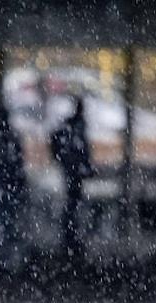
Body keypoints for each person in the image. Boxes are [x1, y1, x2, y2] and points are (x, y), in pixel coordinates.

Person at [50, 94, 95, 255]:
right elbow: (82, 149)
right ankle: (71, 238)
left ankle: (70, 237)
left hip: (72, 170)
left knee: (72, 205)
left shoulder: (71, 125)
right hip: (74, 171)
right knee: (73, 205)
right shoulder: (76, 126)